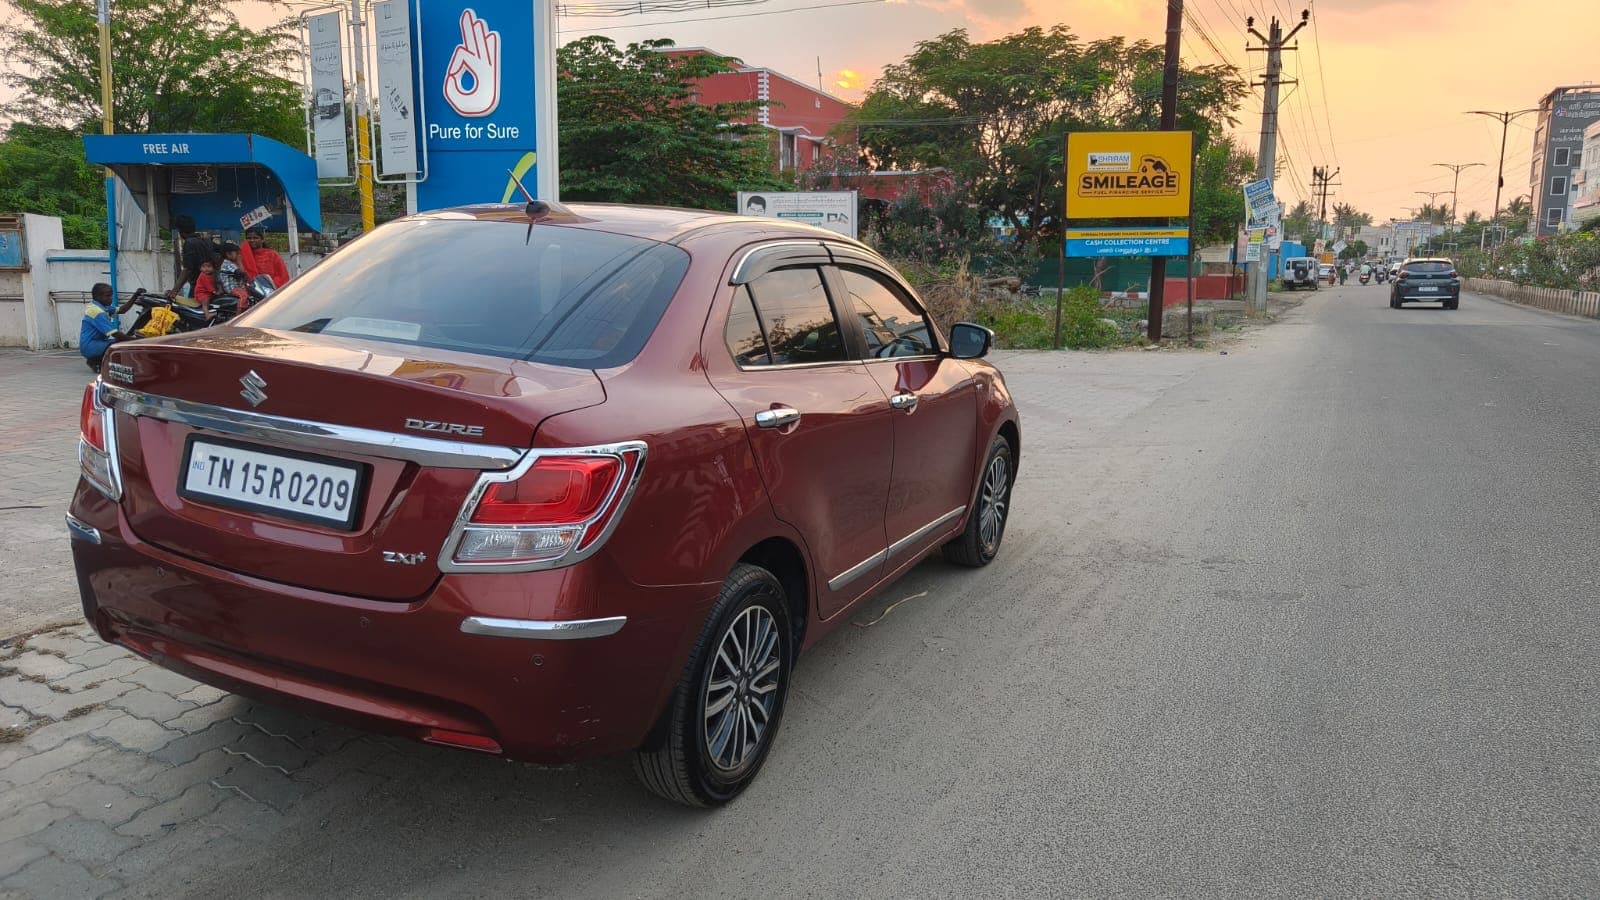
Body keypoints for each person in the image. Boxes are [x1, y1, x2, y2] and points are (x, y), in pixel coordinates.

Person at [80, 283, 135, 372]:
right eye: (108, 296)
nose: (111, 298)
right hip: (91, 347)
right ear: (98, 297)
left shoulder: (100, 306)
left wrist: (135, 296)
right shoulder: (97, 312)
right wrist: (135, 341)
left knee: (122, 340)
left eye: (111, 295)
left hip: (94, 344)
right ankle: (97, 361)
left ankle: (95, 361)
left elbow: (122, 310)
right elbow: (115, 334)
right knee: (121, 344)